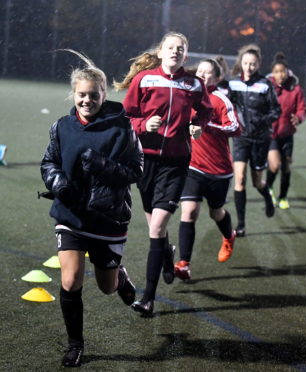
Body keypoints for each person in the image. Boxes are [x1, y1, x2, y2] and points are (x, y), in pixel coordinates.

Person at [40, 49, 143, 367]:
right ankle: (75, 345)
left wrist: (103, 166)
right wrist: (58, 184)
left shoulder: (122, 128)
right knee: (70, 281)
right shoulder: (61, 126)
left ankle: (120, 277)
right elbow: (49, 162)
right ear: (74, 94)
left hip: (107, 218)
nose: (87, 101)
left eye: (93, 95)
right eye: (81, 95)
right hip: (70, 216)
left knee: (107, 287)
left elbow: (136, 171)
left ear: (104, 94)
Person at [115, 31, 212, 315]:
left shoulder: (194, 84)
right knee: (154, 228)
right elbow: (126, 118)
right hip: (145, 161)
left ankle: (148, 298)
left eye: (181, 48)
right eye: (171, 47)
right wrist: (145, 125)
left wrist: (198, 125)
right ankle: (167, 254)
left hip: (176, 163)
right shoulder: (144, 80)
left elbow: (205, 112)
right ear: (160, 52)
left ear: (186, 54)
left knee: (156, 228)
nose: (175, 51)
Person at [175, 58, 242, 281]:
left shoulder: (220, 99)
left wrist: (206, 126)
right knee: (190, 212)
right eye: (200, 71)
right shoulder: (187, 95)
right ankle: (184, 263)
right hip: (193, 165)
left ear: (217, 78)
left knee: (216, 212)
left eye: (208, 73)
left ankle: (229, 235)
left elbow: (235, 128)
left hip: (219, 170)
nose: (202, 75)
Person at [228, 44, 281, 237]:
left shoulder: (265, 85)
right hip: (241, 138)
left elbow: (276, 110)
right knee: (239, 179)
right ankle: (241, 225)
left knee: (257, 182)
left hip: (260, 139)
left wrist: (262, 120)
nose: (249, 67)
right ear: (241, 63)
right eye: (246, 63)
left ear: (258, 64)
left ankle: (267, 196)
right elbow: (226, 106)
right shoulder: (233, 84)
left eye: (253, 64)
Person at [266, 52, 306, 210]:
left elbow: (302, 108)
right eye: (276, 71)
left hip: (287, 134)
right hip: (271, 135)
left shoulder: (295, 89)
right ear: (272, 73)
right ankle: (268, 187)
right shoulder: (267, 87)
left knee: (286, 167)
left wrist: (299, 117)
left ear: (287, 72)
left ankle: (283, 197)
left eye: (282, 71)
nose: (279, 75)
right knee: (275, 165)